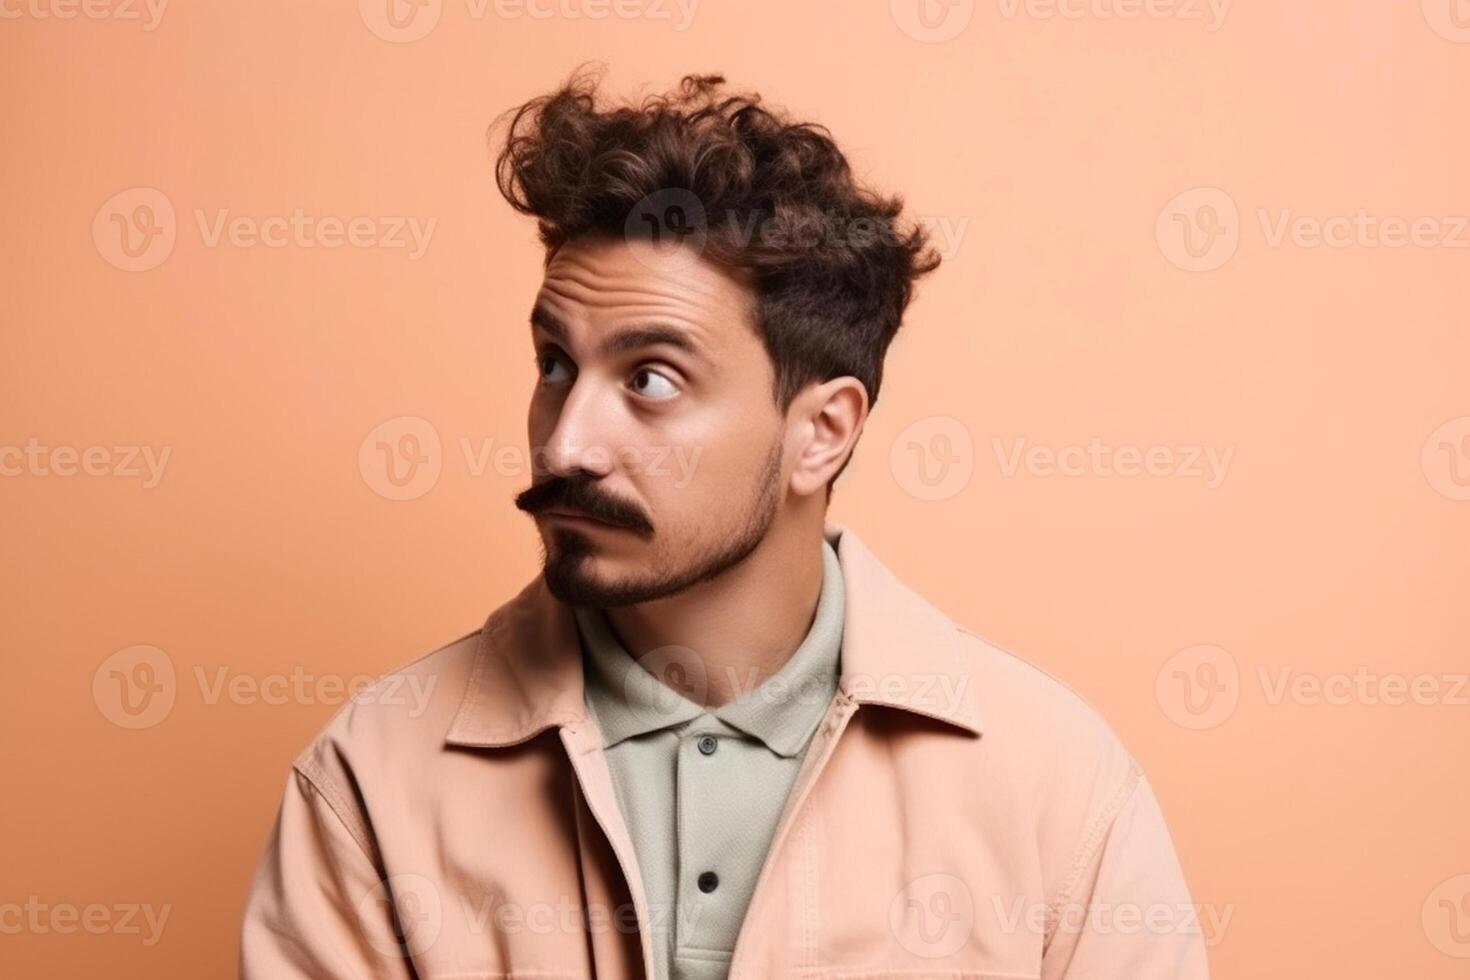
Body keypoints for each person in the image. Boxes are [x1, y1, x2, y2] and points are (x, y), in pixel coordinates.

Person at [240, 67, 1209, 979]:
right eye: (553, 365)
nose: (567, 440)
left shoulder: (1055, 786)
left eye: (650, 378)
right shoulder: (372, 774)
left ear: (821, 433)